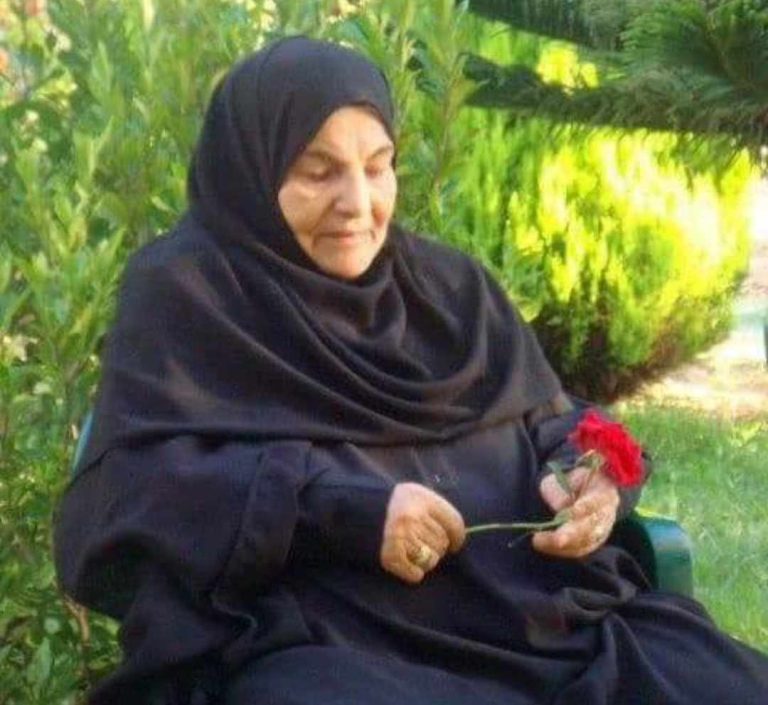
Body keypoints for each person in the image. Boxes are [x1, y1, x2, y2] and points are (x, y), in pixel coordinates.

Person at [54, 37, 768, 705]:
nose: (357, 204)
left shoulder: (449, 289)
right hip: (332, 641)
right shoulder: (191, 297)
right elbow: (138, 492)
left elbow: (552, 417)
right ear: (253, 171)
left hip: (547, 625)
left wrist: (591, 478)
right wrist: (346, 512)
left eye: (377, 166)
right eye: (318, 171)